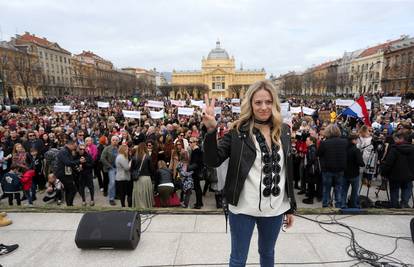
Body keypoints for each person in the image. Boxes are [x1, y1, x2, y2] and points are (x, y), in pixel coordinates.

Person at [203, 80, 296, 267]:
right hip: (243, 208)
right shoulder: (238, 132)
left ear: (274, 103)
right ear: (250, 104)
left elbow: (287, 170)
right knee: (238, 258)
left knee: (268, 253)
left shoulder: (284, 131)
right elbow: (213, 161)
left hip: (275, 209)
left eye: (268, 102)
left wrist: (290, 206)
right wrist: (211, 130)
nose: (263, 107)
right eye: (258, 102)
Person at [380, 130, 414, 208]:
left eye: (395, 139)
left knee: (394, 190)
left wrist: (384, 173)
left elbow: (389, 163)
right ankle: (404, 204)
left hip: (395, 175)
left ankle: (394, 205)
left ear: (401, 138)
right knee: (407, 189)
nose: (394, 141)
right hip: (408, 175)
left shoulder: (394, 149)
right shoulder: (412, 149)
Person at [317, 124, 348, 208]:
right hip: (340, 169)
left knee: (326, 189)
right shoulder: (344, 142)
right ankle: (338, 205)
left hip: (327, 169)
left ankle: (326, 205)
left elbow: (318, 154)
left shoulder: (324, 143)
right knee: (338, 188)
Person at [55, 139, 82, 206]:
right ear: (70, 145)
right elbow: (67, 163)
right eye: (74, 146)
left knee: (69, 190)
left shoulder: (68, 151)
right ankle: (69, 205)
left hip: (66, 173)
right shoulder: (64, 151)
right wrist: (79, 161)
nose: (75, 147)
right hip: (63, 174)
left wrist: (76, 168)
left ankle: (69, 204)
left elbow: (71, 162)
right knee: (72, 190)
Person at [343, 134, 365, 208]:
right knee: (354, 191)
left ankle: (343, 204)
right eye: (357, 140)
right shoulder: (356, 150)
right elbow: (361, 163)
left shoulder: (344, 149)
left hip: (345, 173)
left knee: (344, 190)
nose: (358, 141)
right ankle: (353, 204)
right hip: (354, 174)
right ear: (354, 140)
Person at [131, 143, 154, 209]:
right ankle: (146, 207)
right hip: (146, 178)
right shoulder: (148, 157)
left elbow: (131, 169)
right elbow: (151, 169)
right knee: (146, 194)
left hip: (137, 178)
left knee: (138, 194)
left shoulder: (134, 157)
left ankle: (138, 207)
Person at [100, 136, 119, 206]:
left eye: (116, 140)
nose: (115, 141)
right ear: (111, 141)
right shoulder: (107, 148)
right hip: (111, 168)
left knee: (117, 182)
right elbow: (102, 158)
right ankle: (111, 198)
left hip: (119, 168)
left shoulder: (119, 148)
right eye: (113, 140)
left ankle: (115, 194)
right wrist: (109, 166)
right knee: (112, 182)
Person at [188, 137, 204, 209]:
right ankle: (199, 202)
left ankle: (199, 204)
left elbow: (196, 163)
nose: (189, 144)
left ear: (195, 143)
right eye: (189, 142)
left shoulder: (196, 151)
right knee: (198, 188)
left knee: (197, 188)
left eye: (191, 142)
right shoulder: (197, 150)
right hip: (197, 171)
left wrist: (188, 168)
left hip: (196, 172)